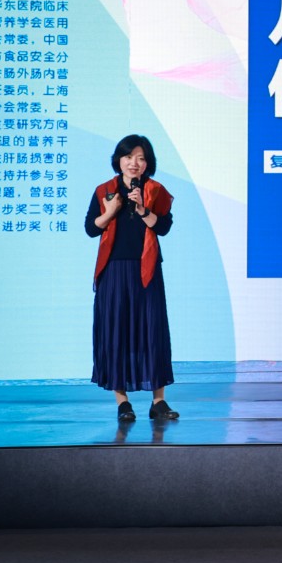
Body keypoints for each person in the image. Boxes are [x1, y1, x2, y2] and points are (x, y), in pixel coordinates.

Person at [85, 134, 178, 422]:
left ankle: (158, 402)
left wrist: (142, 209)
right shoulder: (105, 191)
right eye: (128, 157)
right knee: (116, 333)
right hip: (113, 271)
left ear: (148, 163)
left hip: (147, 269)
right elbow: (91, 228)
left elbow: (163, 228)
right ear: (119, 160)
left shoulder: (155, 191)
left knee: (153, 332)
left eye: (140, 158)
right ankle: (123, 402)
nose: (134, 163)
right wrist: (111, 211)